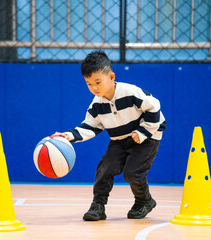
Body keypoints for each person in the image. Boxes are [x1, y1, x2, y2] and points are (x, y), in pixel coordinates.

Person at [54, 50, 166, 221]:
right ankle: (98, 206)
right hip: (120, 140)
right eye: (89, 84)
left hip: (148, 136)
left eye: (98, 82)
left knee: (132, 172)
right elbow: (90, 126)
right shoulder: (96, 105)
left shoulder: (130, 92)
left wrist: (143, 132)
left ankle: (144, 201)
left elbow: (154, 106)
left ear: (111, 77)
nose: (94, 88)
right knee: (105, 168)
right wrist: (68, 136)